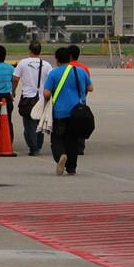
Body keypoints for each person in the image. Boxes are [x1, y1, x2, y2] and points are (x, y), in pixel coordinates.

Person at [43, 47, 93, 176]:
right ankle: (71, 168)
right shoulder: (80, 71)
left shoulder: (54, 73)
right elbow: (90, 87)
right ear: (70, 58)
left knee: (57, 138)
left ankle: (61, 155)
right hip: (77, 112)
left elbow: (46, 93)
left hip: (60, 111)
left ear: (57, 60)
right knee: (72, 139)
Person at [13, 41, 52, 156]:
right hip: (42, 98)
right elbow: (51, 80)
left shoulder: (23, 63)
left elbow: (15, 79)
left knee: (29, 124)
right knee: (39, 123)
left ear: (29, 50)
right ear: (40, 51)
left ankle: (33, 147)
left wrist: (13, 91)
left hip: (28, 98)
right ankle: (38, 145)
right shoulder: (47, 64)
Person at [67, 44, 93, 155]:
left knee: (68, 123)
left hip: (67, 100)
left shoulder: (65, 67)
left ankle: (69, 145)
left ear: (69, 55)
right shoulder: (84, 68)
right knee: (81, 122)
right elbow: (89, 86)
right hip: (81, 99)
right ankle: (80, 147)